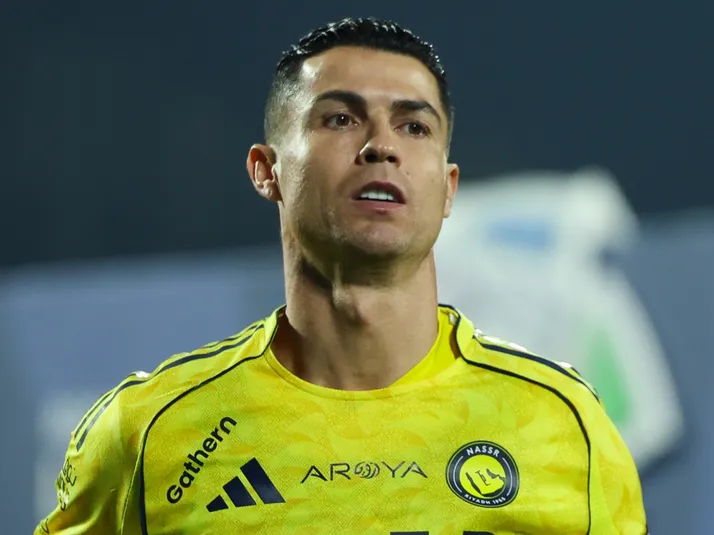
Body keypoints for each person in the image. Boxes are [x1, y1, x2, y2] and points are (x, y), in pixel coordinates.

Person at [36, 17, 648, 535]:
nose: (382, 145)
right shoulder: (147, 434)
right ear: (267, 171)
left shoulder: (564, 424)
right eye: (340, 119)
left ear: (448, 188)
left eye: (414, 126)